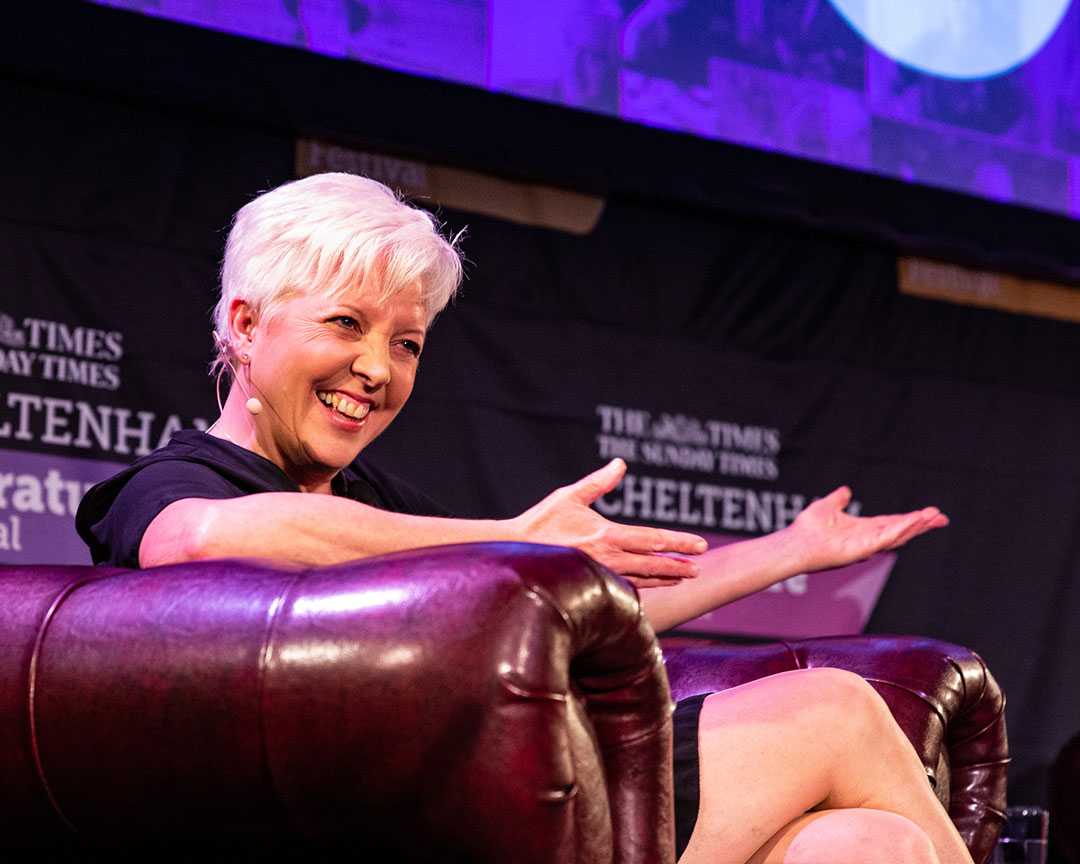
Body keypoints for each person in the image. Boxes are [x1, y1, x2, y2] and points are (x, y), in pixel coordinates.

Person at [76, 172, 971, 864]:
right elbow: (204, 541)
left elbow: (594, 608)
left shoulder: (376, 510)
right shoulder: (171, 484)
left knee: (864, 847)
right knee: (837, 710)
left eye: (406, 342)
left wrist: (795, 549)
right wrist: (511, 543)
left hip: (491, 802)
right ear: (244, 323)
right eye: (345, 323)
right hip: (407, 823)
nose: (377, 369)